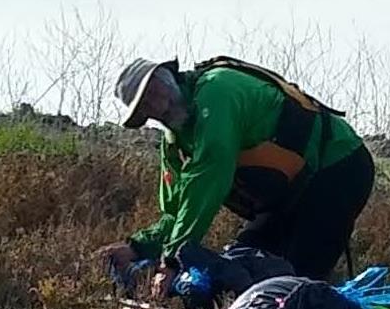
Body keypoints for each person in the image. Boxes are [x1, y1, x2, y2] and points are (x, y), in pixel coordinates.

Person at [97, 54, 375, 288]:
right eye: (144, 107)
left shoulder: (218, 92)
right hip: (288, 196)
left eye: (152, 92)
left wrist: (171, 262)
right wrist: (138, 247)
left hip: (337, 169)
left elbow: (208, 179)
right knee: (241, 265)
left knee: (295, 283)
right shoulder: (175, 144)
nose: (154, 107)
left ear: (166, 76)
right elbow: (176, 212)